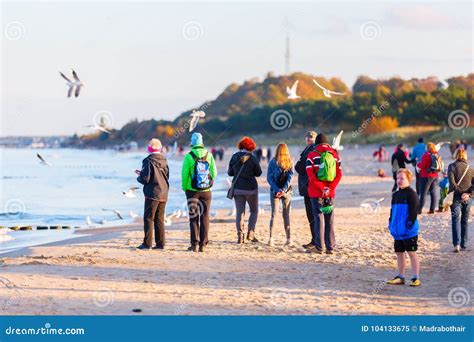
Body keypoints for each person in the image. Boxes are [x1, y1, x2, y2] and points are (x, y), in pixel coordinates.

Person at [305, 133, 342, 254]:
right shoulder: (335, 155)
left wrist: (321, 188)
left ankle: (319, 247)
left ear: (317, 143)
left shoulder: (312, 155)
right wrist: (329, 189)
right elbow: (339, 174)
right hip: (330, 194)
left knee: (318, 219)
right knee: (329, 219)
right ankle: (330, 247)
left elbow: (311, 176)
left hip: (316, 193)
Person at [181, 133, 217, 252]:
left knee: (193, 217)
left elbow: (184, 174)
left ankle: (194, 244)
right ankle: (203, 244)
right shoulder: (209, 155)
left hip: (192, 191)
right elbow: (214, 173)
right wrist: (207, 181)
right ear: (202, 142)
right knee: (205, 216)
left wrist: (184, 187)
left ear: (192, 143)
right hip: (206, 191)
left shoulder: (188, 156)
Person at [386, 168, 421, 287]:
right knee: (399, 253)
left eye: (402, 178)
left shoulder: (412, 193)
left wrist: (410, 223)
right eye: (397, 178)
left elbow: (415, 209)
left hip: (409, 231)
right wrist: (390, 223)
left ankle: (416, 277)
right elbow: (392, 211)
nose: (399, 180)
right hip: (397, 231)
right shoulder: (396, 194)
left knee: (412, 252)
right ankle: (400, 276)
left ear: (408, 179)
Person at [135, 138, 170, 250]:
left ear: (150, 148)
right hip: (164, 191)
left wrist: (139, 177)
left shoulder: (148, 160)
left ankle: (147, 244)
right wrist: (143, 174)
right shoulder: (164, 159)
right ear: (160, 148)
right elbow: (165, 176)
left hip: (153, 193)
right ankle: (160, 244)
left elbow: (145, 179)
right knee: (159, 218)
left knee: (149, 218)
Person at [227, 136, 262, 244]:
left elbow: (230, 173)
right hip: (251, 189)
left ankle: (240, 236)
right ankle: (251, 233)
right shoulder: (253, 158)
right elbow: (259, 173)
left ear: (241, 145)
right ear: (251, 146)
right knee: (254, 211)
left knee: (240, 213)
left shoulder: (234, 157)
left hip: (238, 189)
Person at [267, 143, 294, 246]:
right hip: (286, 192)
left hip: (275, 191)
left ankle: (271, 239)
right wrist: (283, 189)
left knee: (274, 214)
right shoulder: (289, 162)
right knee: (286, 215)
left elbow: (269, 178)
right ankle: (289, 239)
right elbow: (290, 177)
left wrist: (277, 189)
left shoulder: (272, 162)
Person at [448, 148, 473, 253]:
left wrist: (460, 193)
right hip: (467, 198)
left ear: (456, 155)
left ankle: (456, 245)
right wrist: (468, 194)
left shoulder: (452, 166)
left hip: (456, 197)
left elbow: (452, 184)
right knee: (464, 221)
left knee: (455, 221)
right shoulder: (471, 169)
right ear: (465, 156)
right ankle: (464, 244)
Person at [294, 130, 317, 248]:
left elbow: (299, 167)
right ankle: (316, 240)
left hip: (309, 187)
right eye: (308, 136)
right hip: (313, 187)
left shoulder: (310, 150)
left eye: (311, 137)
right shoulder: (316, 150)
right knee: (315, 214)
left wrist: (297, 165)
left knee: (312, 214)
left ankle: (315, 240)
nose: (309, 138)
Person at [417, 142, 442, 214]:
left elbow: (422, 166)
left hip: (426, 176)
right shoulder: (437, 154)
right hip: (435, 176)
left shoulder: (426, 155)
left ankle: (419, 210)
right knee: (433, 193)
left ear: (427, 148)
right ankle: (432, 209)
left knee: (423, 194)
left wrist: (418, 164)